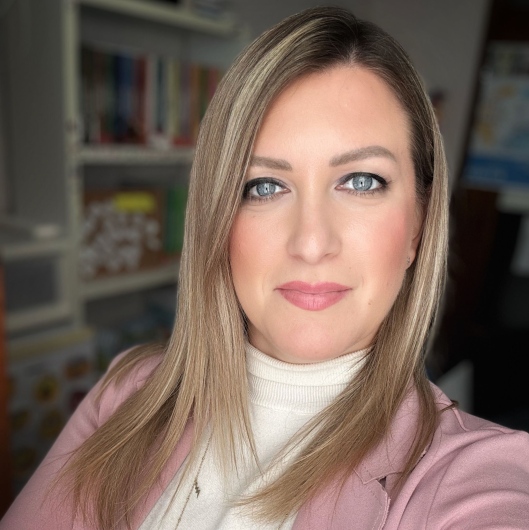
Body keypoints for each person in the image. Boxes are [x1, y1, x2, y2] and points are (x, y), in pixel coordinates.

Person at [2, 6, 529, 529]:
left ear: (418, 224)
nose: (311, 243)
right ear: (217, 218)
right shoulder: (127, 395)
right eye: (264, 186)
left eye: (362, 181)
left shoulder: (478, 475)